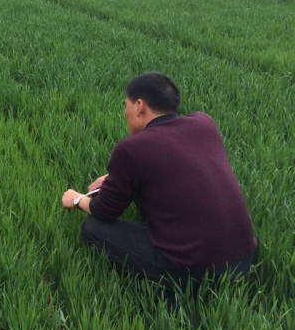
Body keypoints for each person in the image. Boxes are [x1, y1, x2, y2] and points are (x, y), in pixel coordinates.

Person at [61, 72, 257, 285]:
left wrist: (77, 199)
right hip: (244, 259)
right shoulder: (204, 123)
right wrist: (114, 179)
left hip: (195, 270)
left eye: (125, 105)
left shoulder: (131, 148)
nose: (125, 112)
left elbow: (104, 211)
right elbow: (174, 164)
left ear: (139, 106)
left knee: (92, 228)